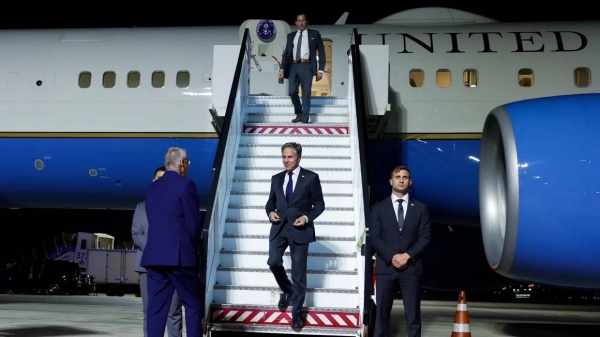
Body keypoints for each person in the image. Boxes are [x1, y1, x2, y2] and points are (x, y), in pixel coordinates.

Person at [141, 147, 203, 337]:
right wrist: (194, 248)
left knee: (156, 310)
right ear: (182, 164)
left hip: (154, 257)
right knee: (192, 305)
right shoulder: (186, 185)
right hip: (179, 258)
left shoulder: (152, 188)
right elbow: (193, 224)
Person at [265, 142, 325, 330]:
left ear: (298, 158)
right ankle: (288, 291)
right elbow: (270, 204)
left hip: (300, 230)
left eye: (289, 157)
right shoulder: (276, 178)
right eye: (283, 156)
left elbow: (319, 204)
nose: (286, 160)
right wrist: (270, 213)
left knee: (299, 275)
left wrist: (307, 218)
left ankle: (296, 315)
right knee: (273, 262)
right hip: (279, 228)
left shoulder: (311, 178)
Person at [369, 166, 431, 337]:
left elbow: (425, 237)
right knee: (381, 316)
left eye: (405, 177)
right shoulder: (378, 208)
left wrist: (407, 256)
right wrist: (392, 257)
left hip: (411, 268)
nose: (401, 180)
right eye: (398, 177)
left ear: (410, 182)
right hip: (385, 268)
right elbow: (374, 237)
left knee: (413, 317)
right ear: (391, 181)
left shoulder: (420, 208)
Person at [131, 166, 183, 337]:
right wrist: (156, 247)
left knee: (173, 312)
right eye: (158, 178)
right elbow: (136, 233)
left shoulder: (180, 205)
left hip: (173, 265)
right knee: (150, 311)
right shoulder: (141, 206)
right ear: (153, 181)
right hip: (147, 266)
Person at [278, 13, 326, 124]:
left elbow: (322, 53)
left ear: (306, 21)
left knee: (306, 92)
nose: (301, 23)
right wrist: (281, 69)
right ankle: (299, 113)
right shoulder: (291, 36)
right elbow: (286, 54)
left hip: (307, 66)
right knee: (292, 92)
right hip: (293, 66)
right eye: (299, 21)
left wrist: (320, 70)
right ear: (296, 22)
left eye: (303, 20)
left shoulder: (314, 34)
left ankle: (304, 118)